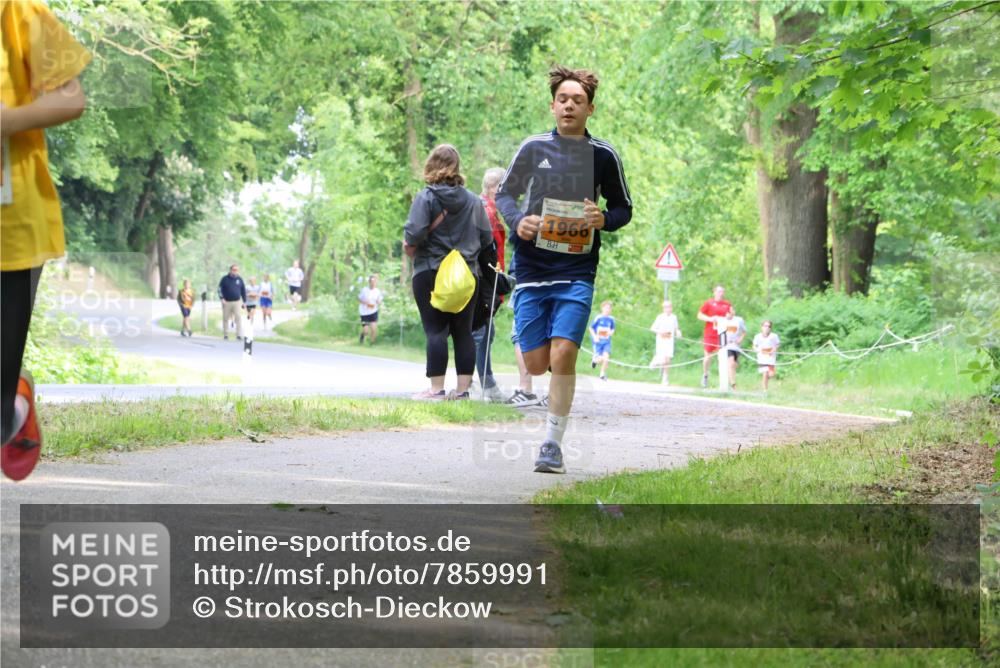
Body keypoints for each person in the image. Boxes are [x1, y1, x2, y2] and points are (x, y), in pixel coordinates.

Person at [495, 65, 632, 473]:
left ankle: (552, 446)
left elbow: (623, 208)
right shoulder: (533, 147)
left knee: (565, 353)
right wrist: (518, 221)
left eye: (578, 100)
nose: (569, 106)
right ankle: (538, 343)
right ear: (553, 106)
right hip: (532, 266)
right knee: (538, 364)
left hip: (577, 270)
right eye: (563, 99)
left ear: (590, 109)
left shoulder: (603, 155)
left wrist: (603, 219)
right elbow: (505, 194)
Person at [1, 0, 91, 481]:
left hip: (9, 229)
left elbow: (70, 98)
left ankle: (10, 407)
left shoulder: (15, 10)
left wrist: (5, 121)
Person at [404, 144, 494, 400]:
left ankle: (436, 389)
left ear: (431, 165)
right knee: (463, 332)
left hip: (431, 270)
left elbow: (414, 233)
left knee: (436, 330)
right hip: (467, 275)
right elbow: (487, 239)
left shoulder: (426, 197)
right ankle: (463, 391)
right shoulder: (474, 201)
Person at [471, 167, 508, 402]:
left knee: (485, 331)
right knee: (482, 332)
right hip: (483, 280)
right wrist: (492, 280)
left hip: (488, 280)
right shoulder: (485, 211)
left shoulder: (489, 210)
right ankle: (485, 385)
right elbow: (484, 251)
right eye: (506, 188)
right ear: (495, 188)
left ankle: (479, 383)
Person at [696, 285, 732, 388]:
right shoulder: (709, 303)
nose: (721, 293)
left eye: (722, 291)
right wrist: (710, 319)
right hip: (710, 333)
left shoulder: (727, 304)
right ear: (714, 292)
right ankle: (705, 375)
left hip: (722, 333)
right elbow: (699, 315)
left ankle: (725, 381)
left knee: (724, 356)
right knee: (708, 355)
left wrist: (729, 316)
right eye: (719, 291)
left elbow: (731, 315)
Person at [650, 300, 682, 385]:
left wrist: (678, 333)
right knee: (663, 359)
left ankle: (665, 378)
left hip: (669, 340)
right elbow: (652, 328)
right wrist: (660, 332)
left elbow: (676, 328)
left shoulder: (674, 317)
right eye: (666, 307)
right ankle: (655, 362)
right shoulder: (660, 317)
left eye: (669, 307)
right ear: (663, 309)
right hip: (661, 340)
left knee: (668, 360)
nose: (668, 309)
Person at [718, 305, 746, 390]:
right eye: (728, 312)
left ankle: (730, 380)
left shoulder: (739, 320)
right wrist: (723, 341)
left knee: (734, 365)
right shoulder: (722, 321)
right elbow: (719, 332)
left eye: (731, 311)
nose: (729, 314)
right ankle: (733, 384)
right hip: (726, 346)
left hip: (736, 346)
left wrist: (740, 339)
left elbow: (744, 331)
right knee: (731, 362)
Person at [218, 264, 246, 340]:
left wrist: (244, 301)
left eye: (236, 270)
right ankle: (226, 334)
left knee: (238, 317)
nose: (235, 271)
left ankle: (238, 334)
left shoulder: (239, 279)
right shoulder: (225, 279)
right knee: (225, 318)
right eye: (234, 270)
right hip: (226, 302)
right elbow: (219, 289)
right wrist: (222, 298)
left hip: (237, 302)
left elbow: (243, 290)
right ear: (230, 270)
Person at [589, 300, 616, 381]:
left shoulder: (611, 319)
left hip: (606, 341)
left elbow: (613, 328)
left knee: (606, 357)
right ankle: (594, 361)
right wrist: (595, 337)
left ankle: (602, 374)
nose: (607, 310)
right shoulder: (598, 317)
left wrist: (611, 332)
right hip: (598, 341)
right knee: (600, 359)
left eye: (609, 308)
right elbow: (591, 328)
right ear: (602, 308)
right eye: (606, 308)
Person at [752, 320, 780, 392]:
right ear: (762, 327)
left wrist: (773, 350)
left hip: (771, 358)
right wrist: (757, 350)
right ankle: (765, 390)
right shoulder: (757, 336)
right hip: (762, 358)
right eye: (765, 326)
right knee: (765, 373)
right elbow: (754, 346)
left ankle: (765, 383)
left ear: (770, 328)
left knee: (771, 374)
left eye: (769, 326)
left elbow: (777, 344)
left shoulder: (774, 336)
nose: (767, 328)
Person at [358, 274, 384, 345]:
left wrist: (378, 302)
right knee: (366, 331)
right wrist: (364, 302)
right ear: (369, 282)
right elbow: (359, 299)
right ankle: (362, 336)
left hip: (373, 311)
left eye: (374, 281)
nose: (373, 283)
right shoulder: (364, 290)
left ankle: (372, 344)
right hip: (364, 312)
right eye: (372, 281)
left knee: (373, 329)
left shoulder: (377, 291)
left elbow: (380, 301)